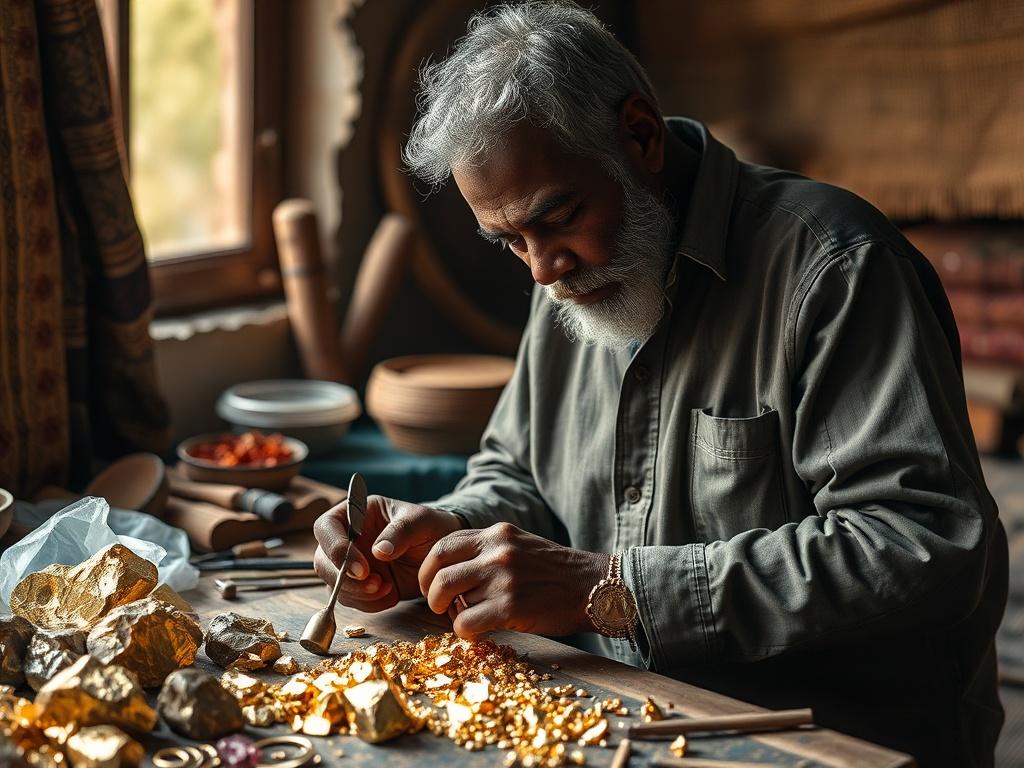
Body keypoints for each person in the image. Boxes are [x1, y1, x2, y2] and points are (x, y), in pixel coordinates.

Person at [312, 3, 1008, 764]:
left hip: (823, 740)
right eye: (510, 240)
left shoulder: (835, 269)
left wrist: (610, 590)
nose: (542, 269)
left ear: (640, 135)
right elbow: (522, 474)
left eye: (558, 216)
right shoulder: (571, 276)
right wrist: (445, 540)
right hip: (623, 720)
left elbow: (922, 546)